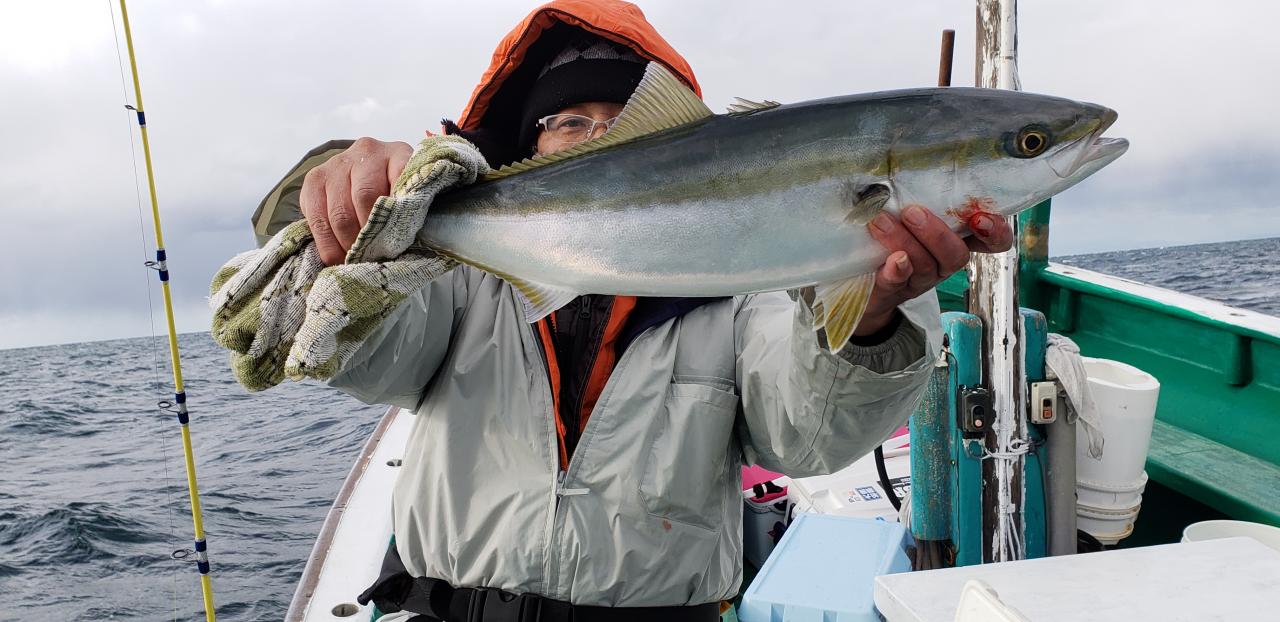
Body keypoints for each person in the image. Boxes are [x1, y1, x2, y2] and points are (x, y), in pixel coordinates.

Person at [247, 1, 1013, 620]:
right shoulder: (458, 275)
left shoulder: (747, 281)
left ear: (680, 147)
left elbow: (804, 439)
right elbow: (359, 352)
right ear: (528, 146)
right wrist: (343, 201)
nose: (601, 137)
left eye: (626, 119)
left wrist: (873, 313)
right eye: (569, 122)